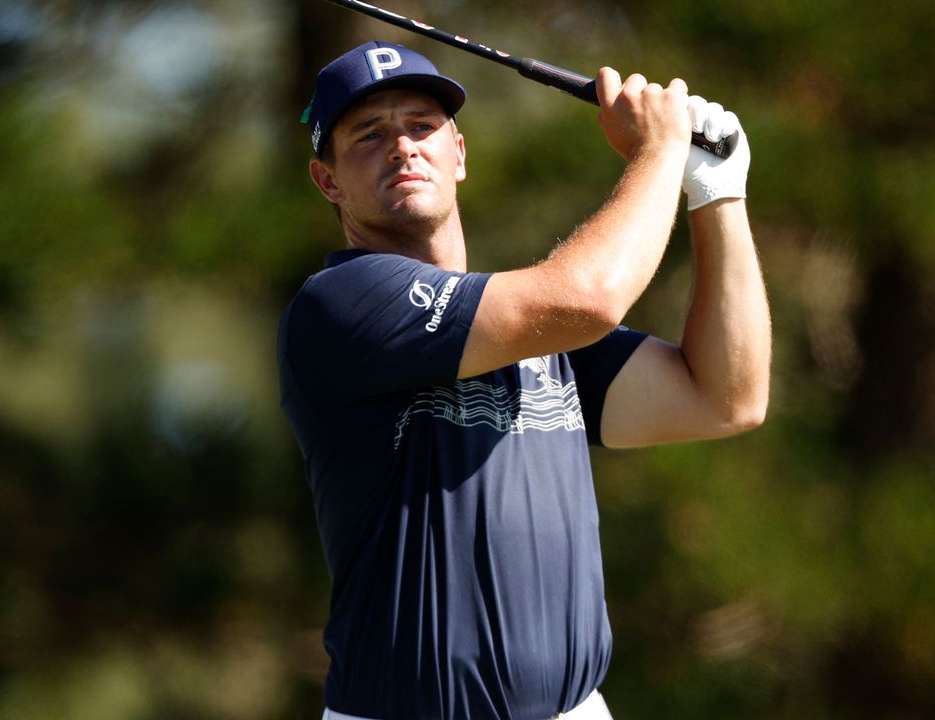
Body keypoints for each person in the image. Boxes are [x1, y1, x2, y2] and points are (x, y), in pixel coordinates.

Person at [278, 40, 770, 720]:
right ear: (327, 180)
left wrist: (716, 192)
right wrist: (660, 151)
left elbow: (726, 397)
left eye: (421, 125)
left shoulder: (533, 329)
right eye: (369, 134)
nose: (402, 146)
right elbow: (590, 298)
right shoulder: (340, 304)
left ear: (460, 154)